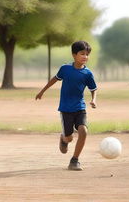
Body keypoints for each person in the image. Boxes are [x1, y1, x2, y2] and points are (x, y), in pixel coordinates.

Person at [35, 41, 97, 171]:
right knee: (69, 138)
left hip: (80, 108)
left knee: (83, 131)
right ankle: (64, 139)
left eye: (87, 54)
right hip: (65, 109)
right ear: (74, 55)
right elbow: (54, 79)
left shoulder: (88, 74)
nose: (85, 56)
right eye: (82, 54)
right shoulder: (65, 69)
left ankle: (74, 160)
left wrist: (93, 99)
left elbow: (93, 88)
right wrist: (42, 91)